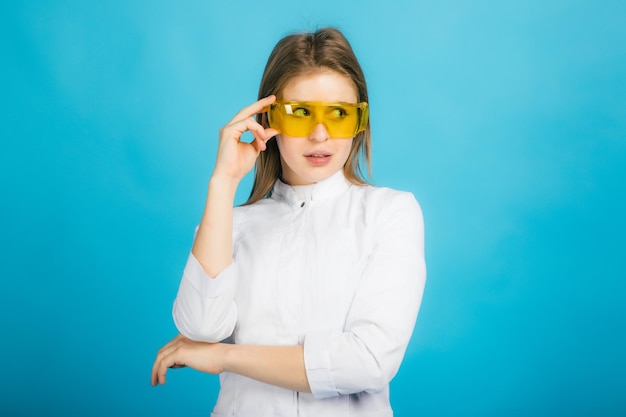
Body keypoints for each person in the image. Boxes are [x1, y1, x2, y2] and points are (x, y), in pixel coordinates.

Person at [151, 27, 426, 416]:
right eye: (300, 113)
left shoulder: (389, 213)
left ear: (359, 120)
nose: (320, 134)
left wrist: (227, 357)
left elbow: (368, 361)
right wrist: (224, 182)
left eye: (338, 114)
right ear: (269, 119)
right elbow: (200, 327)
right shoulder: (231, 224)